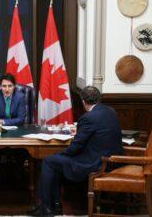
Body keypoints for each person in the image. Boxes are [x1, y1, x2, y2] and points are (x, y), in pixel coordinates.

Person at [27, 86, 124, 216]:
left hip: (97, 163)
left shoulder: (89, 117)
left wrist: (60, 154)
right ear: (99, 99)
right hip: (112, 160)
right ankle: (55, 205)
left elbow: (75, 147)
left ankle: (46, 208)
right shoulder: (110, 111)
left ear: (83, 101)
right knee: (55, 162)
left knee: (49, 161)